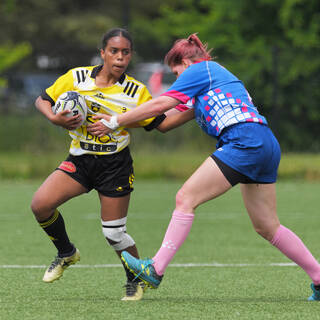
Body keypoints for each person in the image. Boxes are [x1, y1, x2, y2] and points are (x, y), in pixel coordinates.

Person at [87, 33, 320, 301]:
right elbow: (164, 121)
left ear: (186, 62)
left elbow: (162, 103)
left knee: (185, 198)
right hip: (265, 143)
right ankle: (319, 277)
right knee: (267, 226)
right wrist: (122, 117)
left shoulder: (202, 69)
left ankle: (155, 269)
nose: (178, 80)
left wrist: (115, 121)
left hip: (243, 142)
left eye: (177, 73)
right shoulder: (212, 81)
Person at [30, 28, 194, 301]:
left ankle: (135, 279)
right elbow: (43, 100)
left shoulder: (135, 92)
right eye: (114, 51)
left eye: (125, 52)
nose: (120, 57)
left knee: (114, 234)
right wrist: (56, 119)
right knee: (40, 205)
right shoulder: (77, 78)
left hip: (114, 166)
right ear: (103, 53)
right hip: (79, 161)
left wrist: (195, 109)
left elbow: (162, 124)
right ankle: (66, 252)